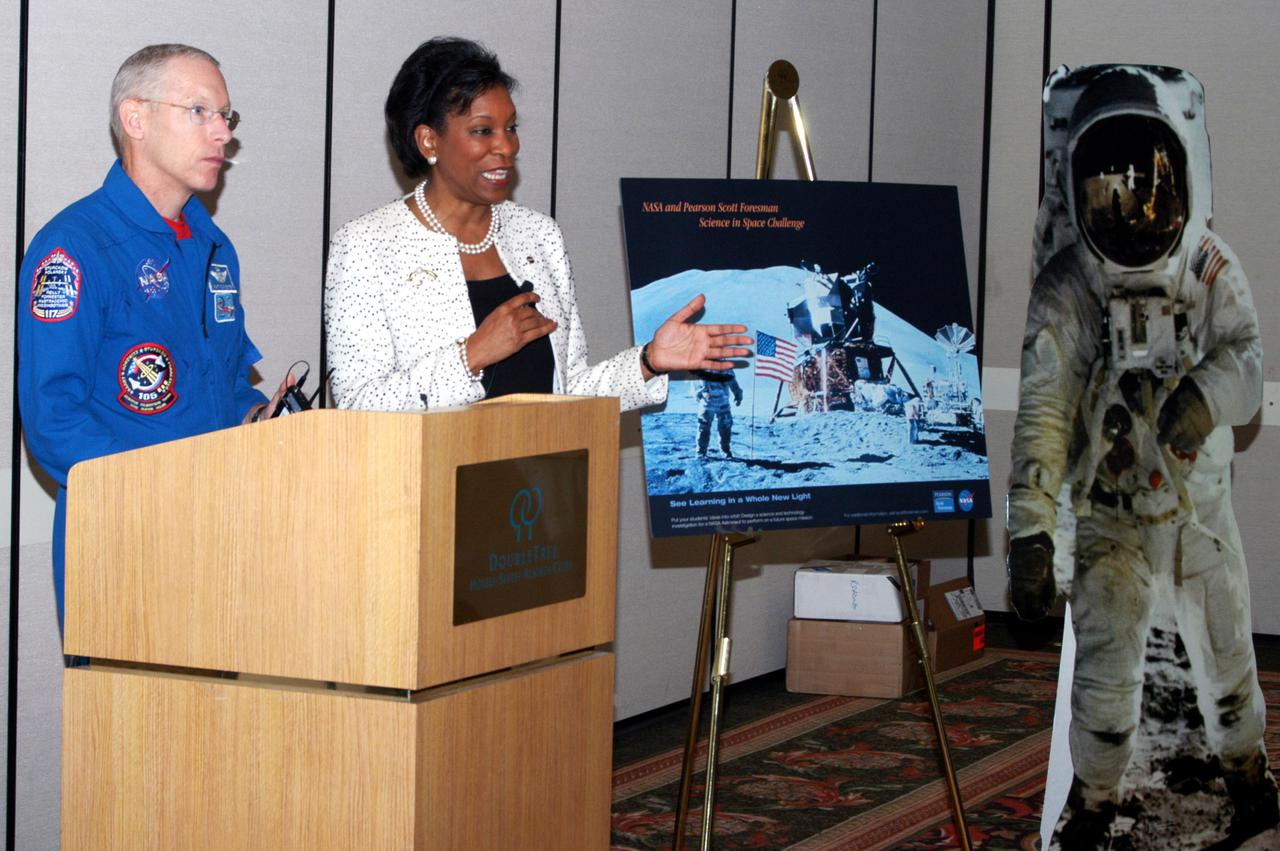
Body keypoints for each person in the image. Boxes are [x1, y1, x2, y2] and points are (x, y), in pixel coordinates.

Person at [1007, 64, 1276, 847]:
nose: (1130, 208)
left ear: (1179, 169)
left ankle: (1250, 778)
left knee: (1228, 656)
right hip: (1110, 515)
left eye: (1148, 183)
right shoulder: (1072, 286)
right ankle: (1092, 804)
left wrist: (1203, 399)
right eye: (1106, 188)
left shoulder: (1207, 266)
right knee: (1104, 675)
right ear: (1076, 184)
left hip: (1196, 506)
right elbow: (1046, 410)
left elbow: (1250, 361)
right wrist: (1031, 532)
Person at [17, 44, 290, 631]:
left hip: (221, 535)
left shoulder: (214, 247)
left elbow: (221, 381)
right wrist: (166, 492)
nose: (223, 134)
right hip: (125, 542)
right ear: (135, 119)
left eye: (227, 116)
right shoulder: (74, 249)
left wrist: (256, 420)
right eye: (200, 111)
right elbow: (53, 419)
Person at [324, 37, 749, 413]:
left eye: (510, 128)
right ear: (429, 140)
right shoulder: (366, 246)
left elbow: (571, 390)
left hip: (538, 492)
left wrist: (649, 361)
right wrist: (471, 355)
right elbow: (358, 403)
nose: (506, 146)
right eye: (482, 130)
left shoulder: (538, 236)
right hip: (424, 495)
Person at [693, 370, 742, 458]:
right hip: (707, 404)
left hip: (723, 403)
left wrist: (738, 395)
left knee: (725, 427)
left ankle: (725, 450)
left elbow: (733, 383)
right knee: (703, 427)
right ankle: (701, 452)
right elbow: (695, 385)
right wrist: (698, 395)